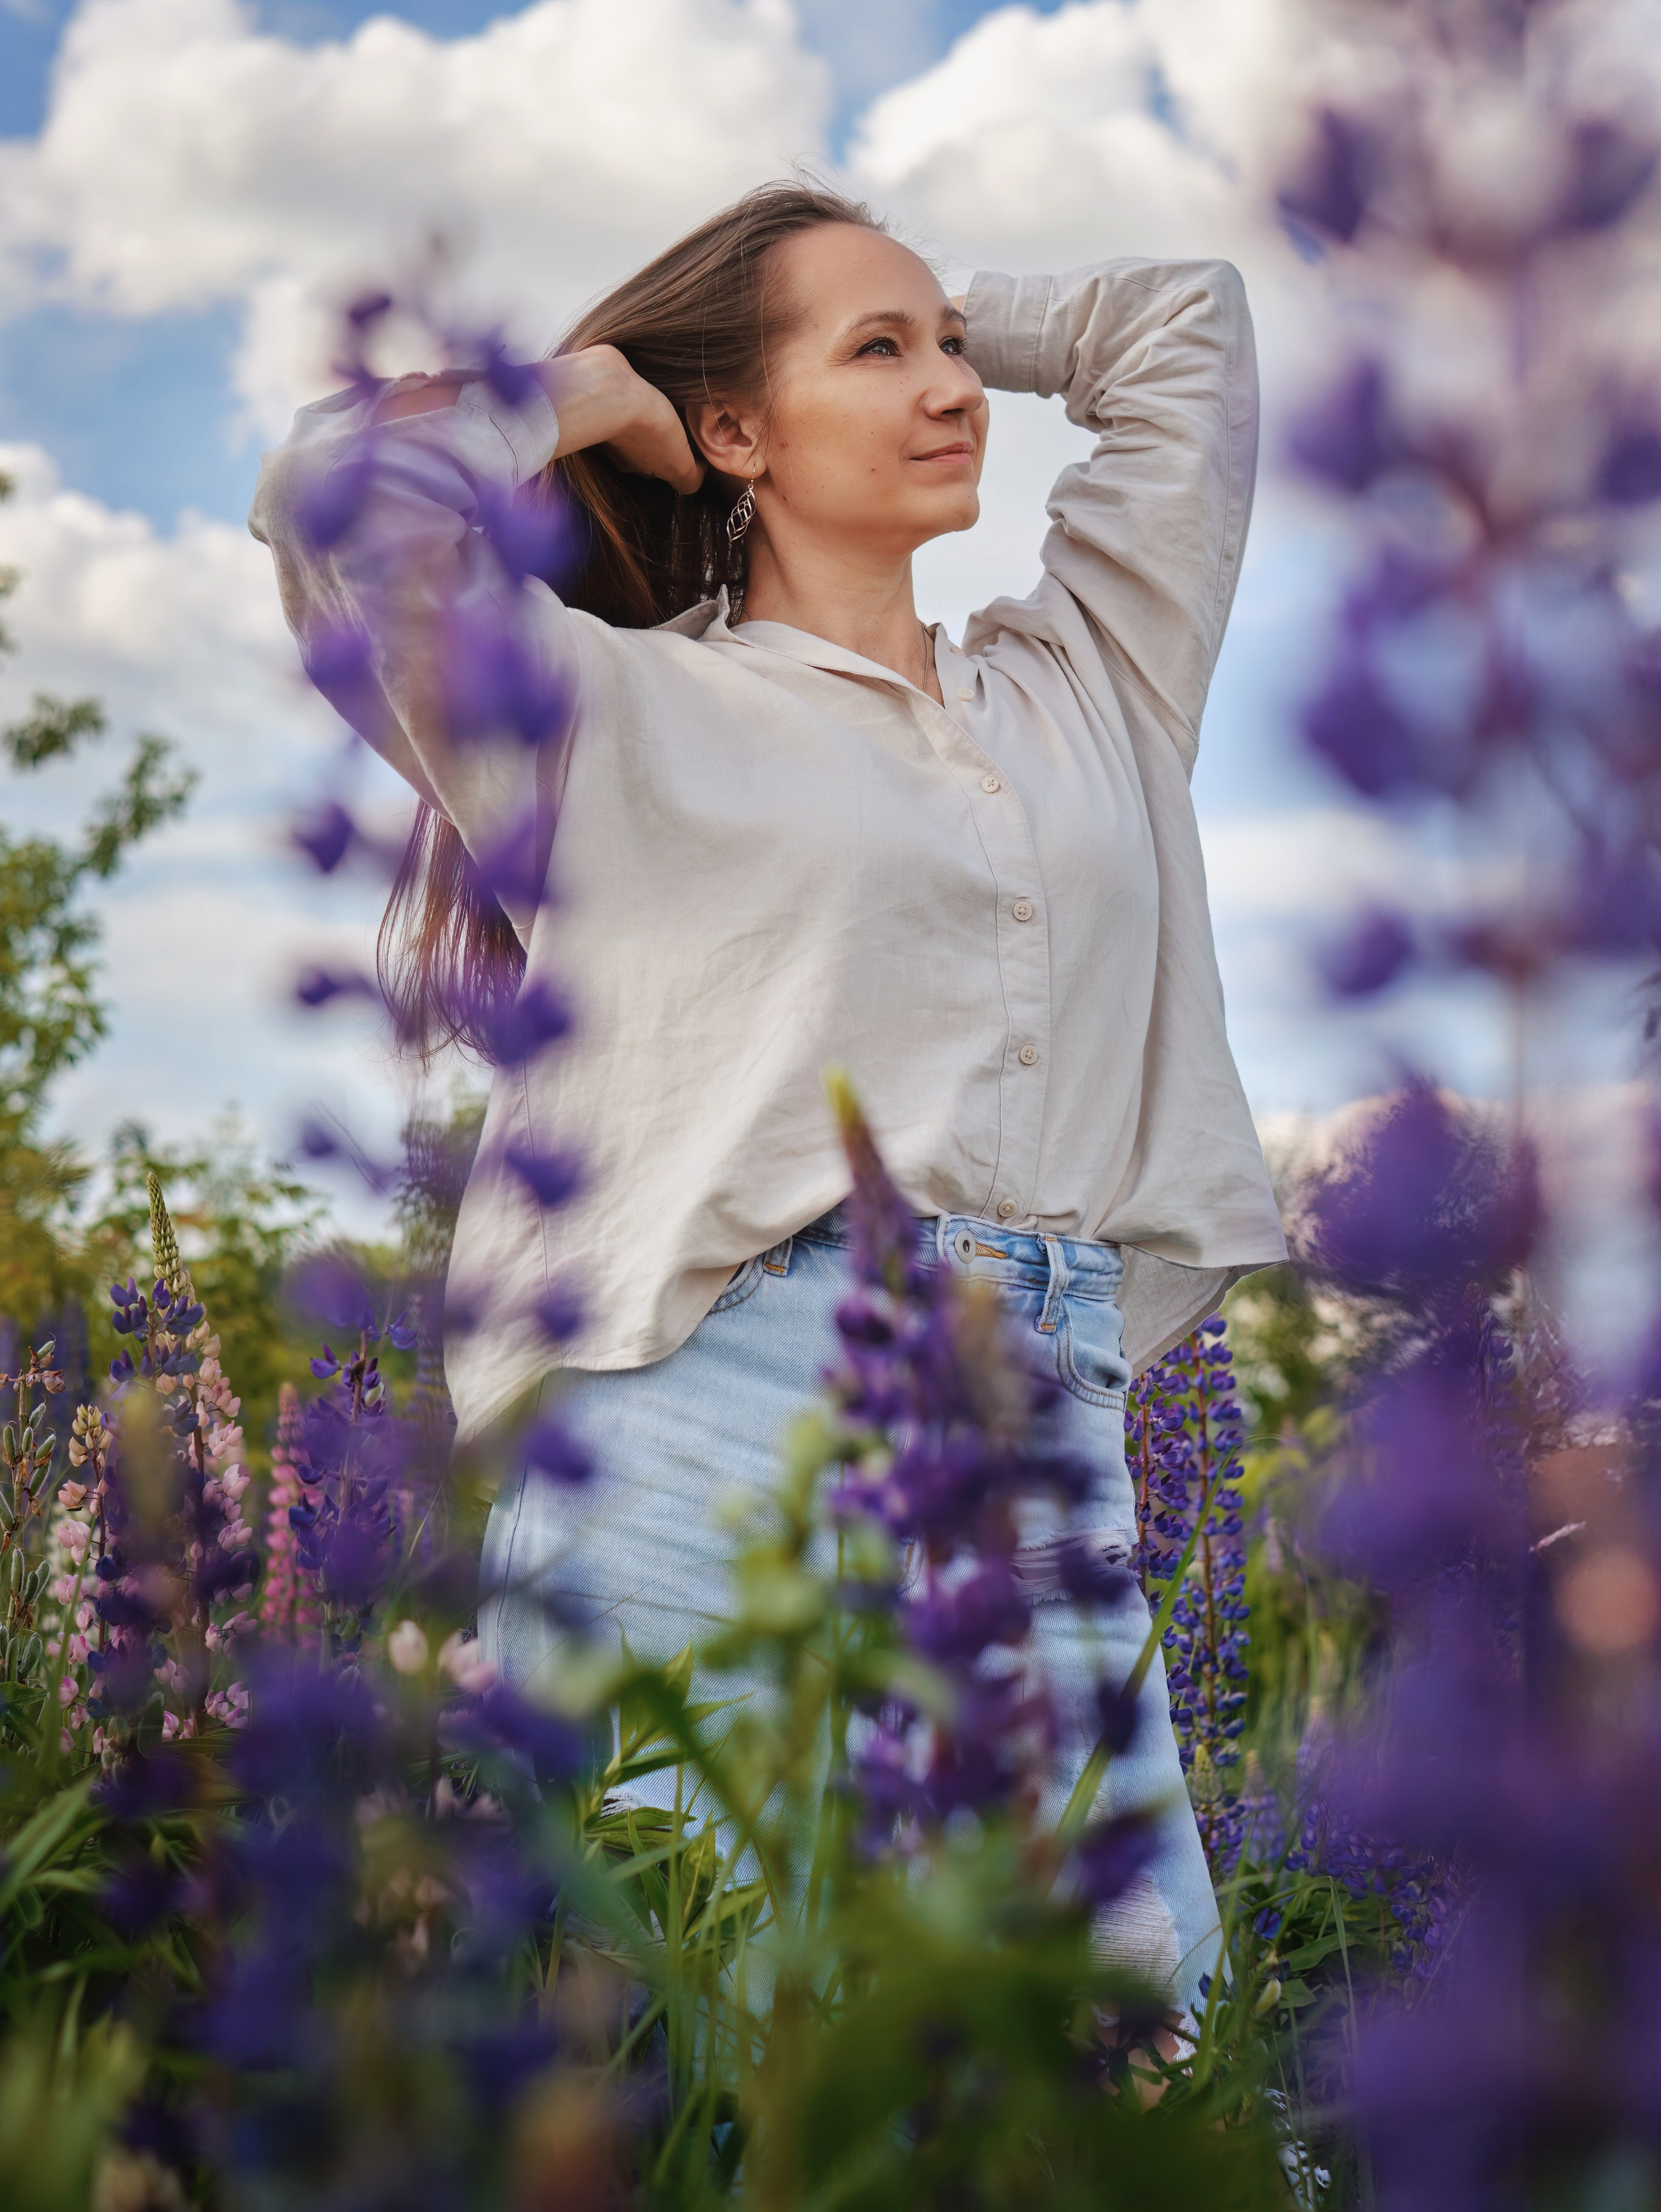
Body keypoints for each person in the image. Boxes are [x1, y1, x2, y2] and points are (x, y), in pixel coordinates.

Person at [250, 182, 1287, 2020]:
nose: (952, 383)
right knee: (721, 2059)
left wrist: (938, 321)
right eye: (879, 353)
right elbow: (339, 511)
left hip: (1034, 1423)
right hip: (705, 1412)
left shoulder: (1089, 686)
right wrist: (599, 389)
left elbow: (1183, 325)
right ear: (736, 431)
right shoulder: (607, 709)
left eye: (955, 349)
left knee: (1142, 2062)